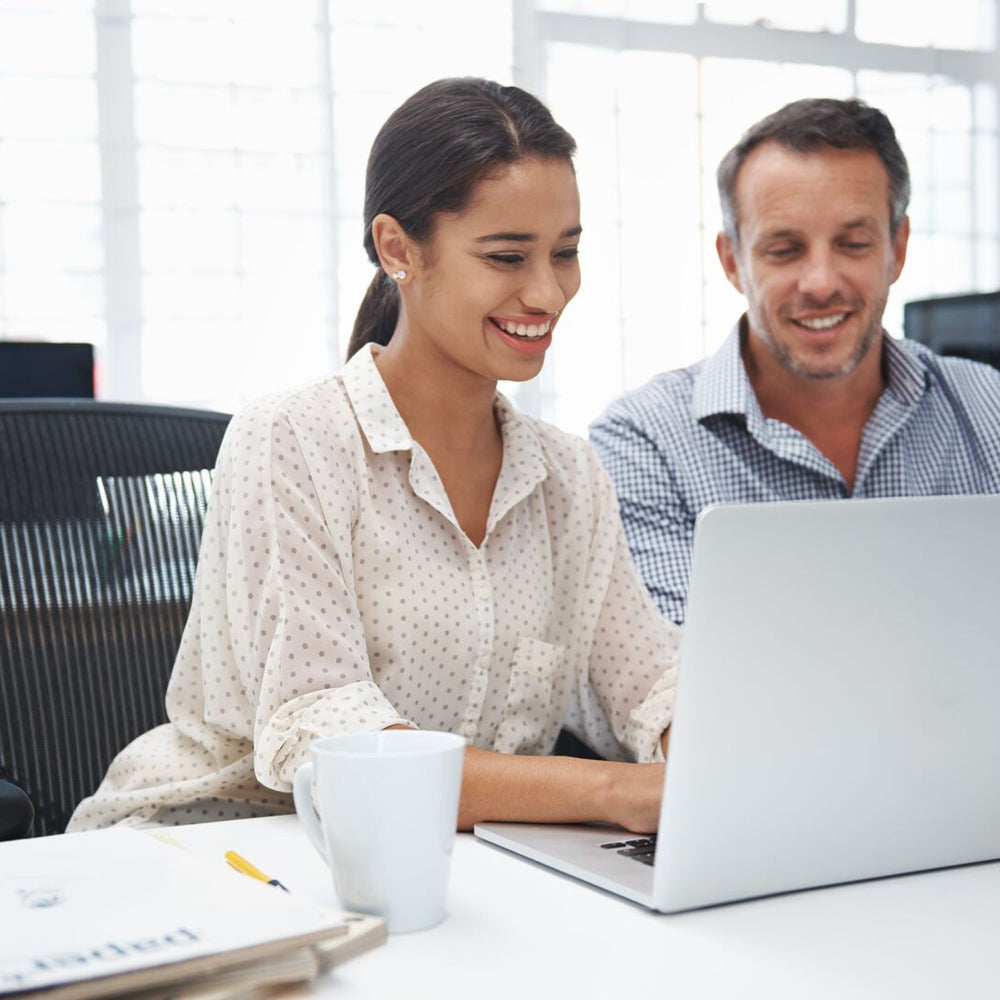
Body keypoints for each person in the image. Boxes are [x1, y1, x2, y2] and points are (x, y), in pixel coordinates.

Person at [69, 78, 677, 834]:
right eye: (506, 256)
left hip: (444, 862)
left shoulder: (569, 478)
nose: (548, 293)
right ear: (399, 248)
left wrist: (699, 752)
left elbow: (654, 685)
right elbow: (342, 745)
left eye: (566, 253)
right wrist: (611, 792)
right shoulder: (292, 439)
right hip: (223, 844)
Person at [590, 97, 1000, 625]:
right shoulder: (644, 443)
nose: (821, 283)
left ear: (897, 249)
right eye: (784, 250)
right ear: (733, 261)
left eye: (853, 244)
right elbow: (673, 686)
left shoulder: (987, 409)